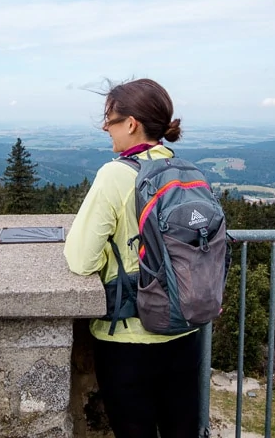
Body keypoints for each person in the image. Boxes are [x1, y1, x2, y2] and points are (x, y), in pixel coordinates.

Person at [64, 78, 200, 438]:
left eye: (109, 120)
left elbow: (81, 260)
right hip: (185, 332)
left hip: (129, 339)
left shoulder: (115, 175)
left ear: (131, 124)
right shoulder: (185, 171)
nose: (105, 129)